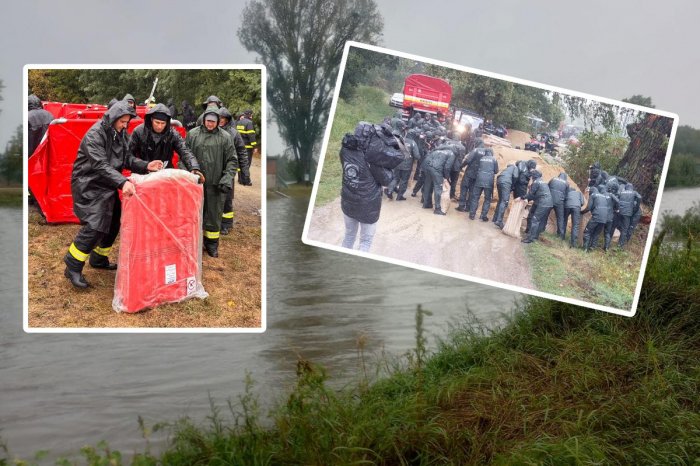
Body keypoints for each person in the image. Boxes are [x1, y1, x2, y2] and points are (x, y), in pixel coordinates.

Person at [63, 101, 163, 288]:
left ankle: (99, 258)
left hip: (106, 184)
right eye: (123, 122)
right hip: (89, 185)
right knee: (95, 226)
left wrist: (146, 165)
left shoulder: (120, 133)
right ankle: (72, 264)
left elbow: (127, 158)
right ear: (114, 118)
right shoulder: (95, 135)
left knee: (115, 220)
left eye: (127, 122)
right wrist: (122, 182)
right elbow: (100, 164)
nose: (125, 126)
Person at [340, 123, 404, 251]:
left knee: (349, 235)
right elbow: (386, 180)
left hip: (348, 202)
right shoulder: (372, 159)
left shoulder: (345, 150)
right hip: (368, 206)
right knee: (365, 241)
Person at [185, 107, 237, 257]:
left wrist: (227, 178)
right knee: (193, 214)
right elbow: (184, 155)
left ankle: (212, 245)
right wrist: (188, 175)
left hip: (216, 184)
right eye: (208, 121)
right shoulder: (193, 134)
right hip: (195, 183)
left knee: (214, 216)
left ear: (218, 122)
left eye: (213, 122)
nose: (210, 124)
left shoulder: (225, 137)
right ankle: (193, 243)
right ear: (204, 119)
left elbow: (232, 161)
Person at [128, 103, 203, 179]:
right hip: (143, 174)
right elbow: (128, 155)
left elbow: (184, 150)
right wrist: (145, 165)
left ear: (167, 123)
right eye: (157, 122)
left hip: (165, 174)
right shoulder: (138, 132)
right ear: (151, 119)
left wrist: (194, 167)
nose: (160, 126)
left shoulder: (172, 133)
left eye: (163, 123)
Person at [218, 107, 252, 234]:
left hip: (228, 170)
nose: (221, 120)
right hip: (214, 169)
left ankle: (226, 223)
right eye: (219, 118)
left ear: (227, 119)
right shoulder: (211, 130)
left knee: (227, 198)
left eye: (223, 118)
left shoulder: (234, 133)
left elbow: (242, 152)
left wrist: (245, 172)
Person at [386, 128, 419, 200]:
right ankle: (399, 196)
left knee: (395, 178)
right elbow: (417, 156)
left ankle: (389, 190)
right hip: (406, 166)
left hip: (397, 163)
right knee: (404, 180)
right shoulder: (413, 143)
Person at [520, 170, 553, 244]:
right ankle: (532, 233)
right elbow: (536, 194)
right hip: (546, 202)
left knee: (535, 219)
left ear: (533, 177)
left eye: (531, 176)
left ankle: (530, 238)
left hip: (543, 203)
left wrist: (522, 197)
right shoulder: (542, 181)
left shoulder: (536, 182)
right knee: (532, 216)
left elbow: (531, 194)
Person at [421, 146, 454, 215]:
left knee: (427, 186)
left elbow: (426, 159)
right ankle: (437, 208)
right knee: (438, 188)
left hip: (428, 168)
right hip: (437, 170)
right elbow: (447, 167)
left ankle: (426, 204)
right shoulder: (451, 154)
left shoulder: (436, 151)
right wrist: (446, 177)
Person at [469, 147, 498, 221]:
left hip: (479, 180)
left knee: (475, 197)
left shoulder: (481, 158)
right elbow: (496, 171)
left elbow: (478, 167)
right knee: (487, 199)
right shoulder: (494, 159)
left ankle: (472, 214)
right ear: (491, 152)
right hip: (488, 181)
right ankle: (483, 216)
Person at [456, 138, 485, 212]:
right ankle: (468, 207)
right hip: (477, 175)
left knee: (464, 188)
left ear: (477, 143)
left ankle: (461, 206)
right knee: (472, 191)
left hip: (469, 172)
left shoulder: (475, 150)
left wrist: (461, 166)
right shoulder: (486, 152)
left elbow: (468, 160)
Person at [581, 186, 609, 252]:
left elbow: (589, 207)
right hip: (604, 218)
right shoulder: (603, 196)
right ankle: (592, 248)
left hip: (596, 217)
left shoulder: (593, 195)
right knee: (596, 233)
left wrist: (582, 212)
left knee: (587, 231)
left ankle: (584, 248)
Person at [492, 162, 520, 229]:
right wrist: (512, 185)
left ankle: (495, 218)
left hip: (499, 181)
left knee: (501, 200)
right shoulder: (515, 167)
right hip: (506, 182)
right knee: (504, 201)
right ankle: (499, 221)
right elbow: (515, 176)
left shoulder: (506, 170)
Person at [616, 183, 642, 248]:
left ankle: (619, 239)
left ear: (626, 187)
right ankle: (620, 246)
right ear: (632, 188)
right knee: (625, 229)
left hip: (619, 212)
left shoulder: (622, 192)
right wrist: (636, 207)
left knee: (618, 225)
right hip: (627, 214)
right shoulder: (634, 193)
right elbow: (639, 197)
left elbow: (617, 197)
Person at [548, 172, 570, 239]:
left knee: (545, 214)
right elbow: (566, 196)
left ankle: (540, 229)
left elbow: (547, 187)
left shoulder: (553, 179)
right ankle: (561, 236)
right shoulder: (566, 183)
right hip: (559, 202)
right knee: (560, 218)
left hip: (550, 199)